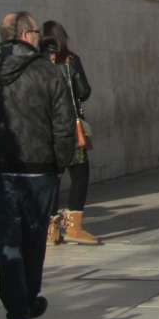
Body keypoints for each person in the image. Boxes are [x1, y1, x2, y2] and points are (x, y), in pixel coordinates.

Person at [0, 12, 76, 319]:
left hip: (4, 170)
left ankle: (17, 312)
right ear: (26, 35)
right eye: (34, 30)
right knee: (33, 242)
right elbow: (64, 125)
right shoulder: (49, 71)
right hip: (40, 171)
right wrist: (60, 163)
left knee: (8, 242)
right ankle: (26, 302)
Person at [40, 21, 99, 245]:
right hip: (70, 129)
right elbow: (84, 92)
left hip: (45, 128)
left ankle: (51, 230)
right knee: (80, 174)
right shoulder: (70, 60)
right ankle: (74, 227)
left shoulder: (36, 62)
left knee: (52, 178)